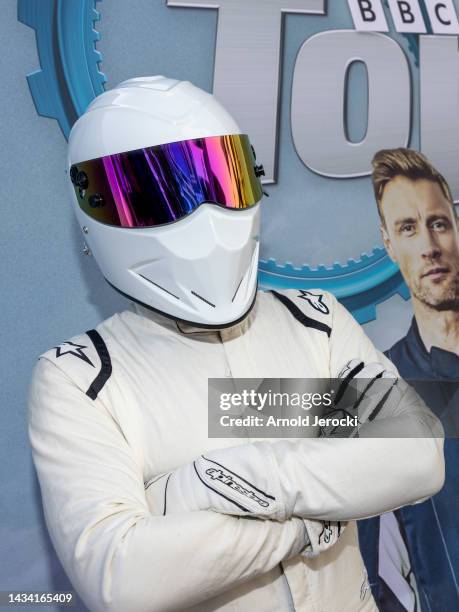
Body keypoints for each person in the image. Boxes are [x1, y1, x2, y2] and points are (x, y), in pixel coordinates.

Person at [28, 77, 444, 612]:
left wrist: (203, 485)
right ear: (99, 210)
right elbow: (124, 580)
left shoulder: (311, 320)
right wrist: (313, 518)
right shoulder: (81, 380)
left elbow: (415, 456)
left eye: (219, 178)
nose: (204, 213)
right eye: (164, 193)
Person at [358, 148, 459, 612]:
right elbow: (383, 580)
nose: (429, 246)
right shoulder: (380, 392)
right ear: (387, 243)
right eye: (407, 228)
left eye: (438, 223)